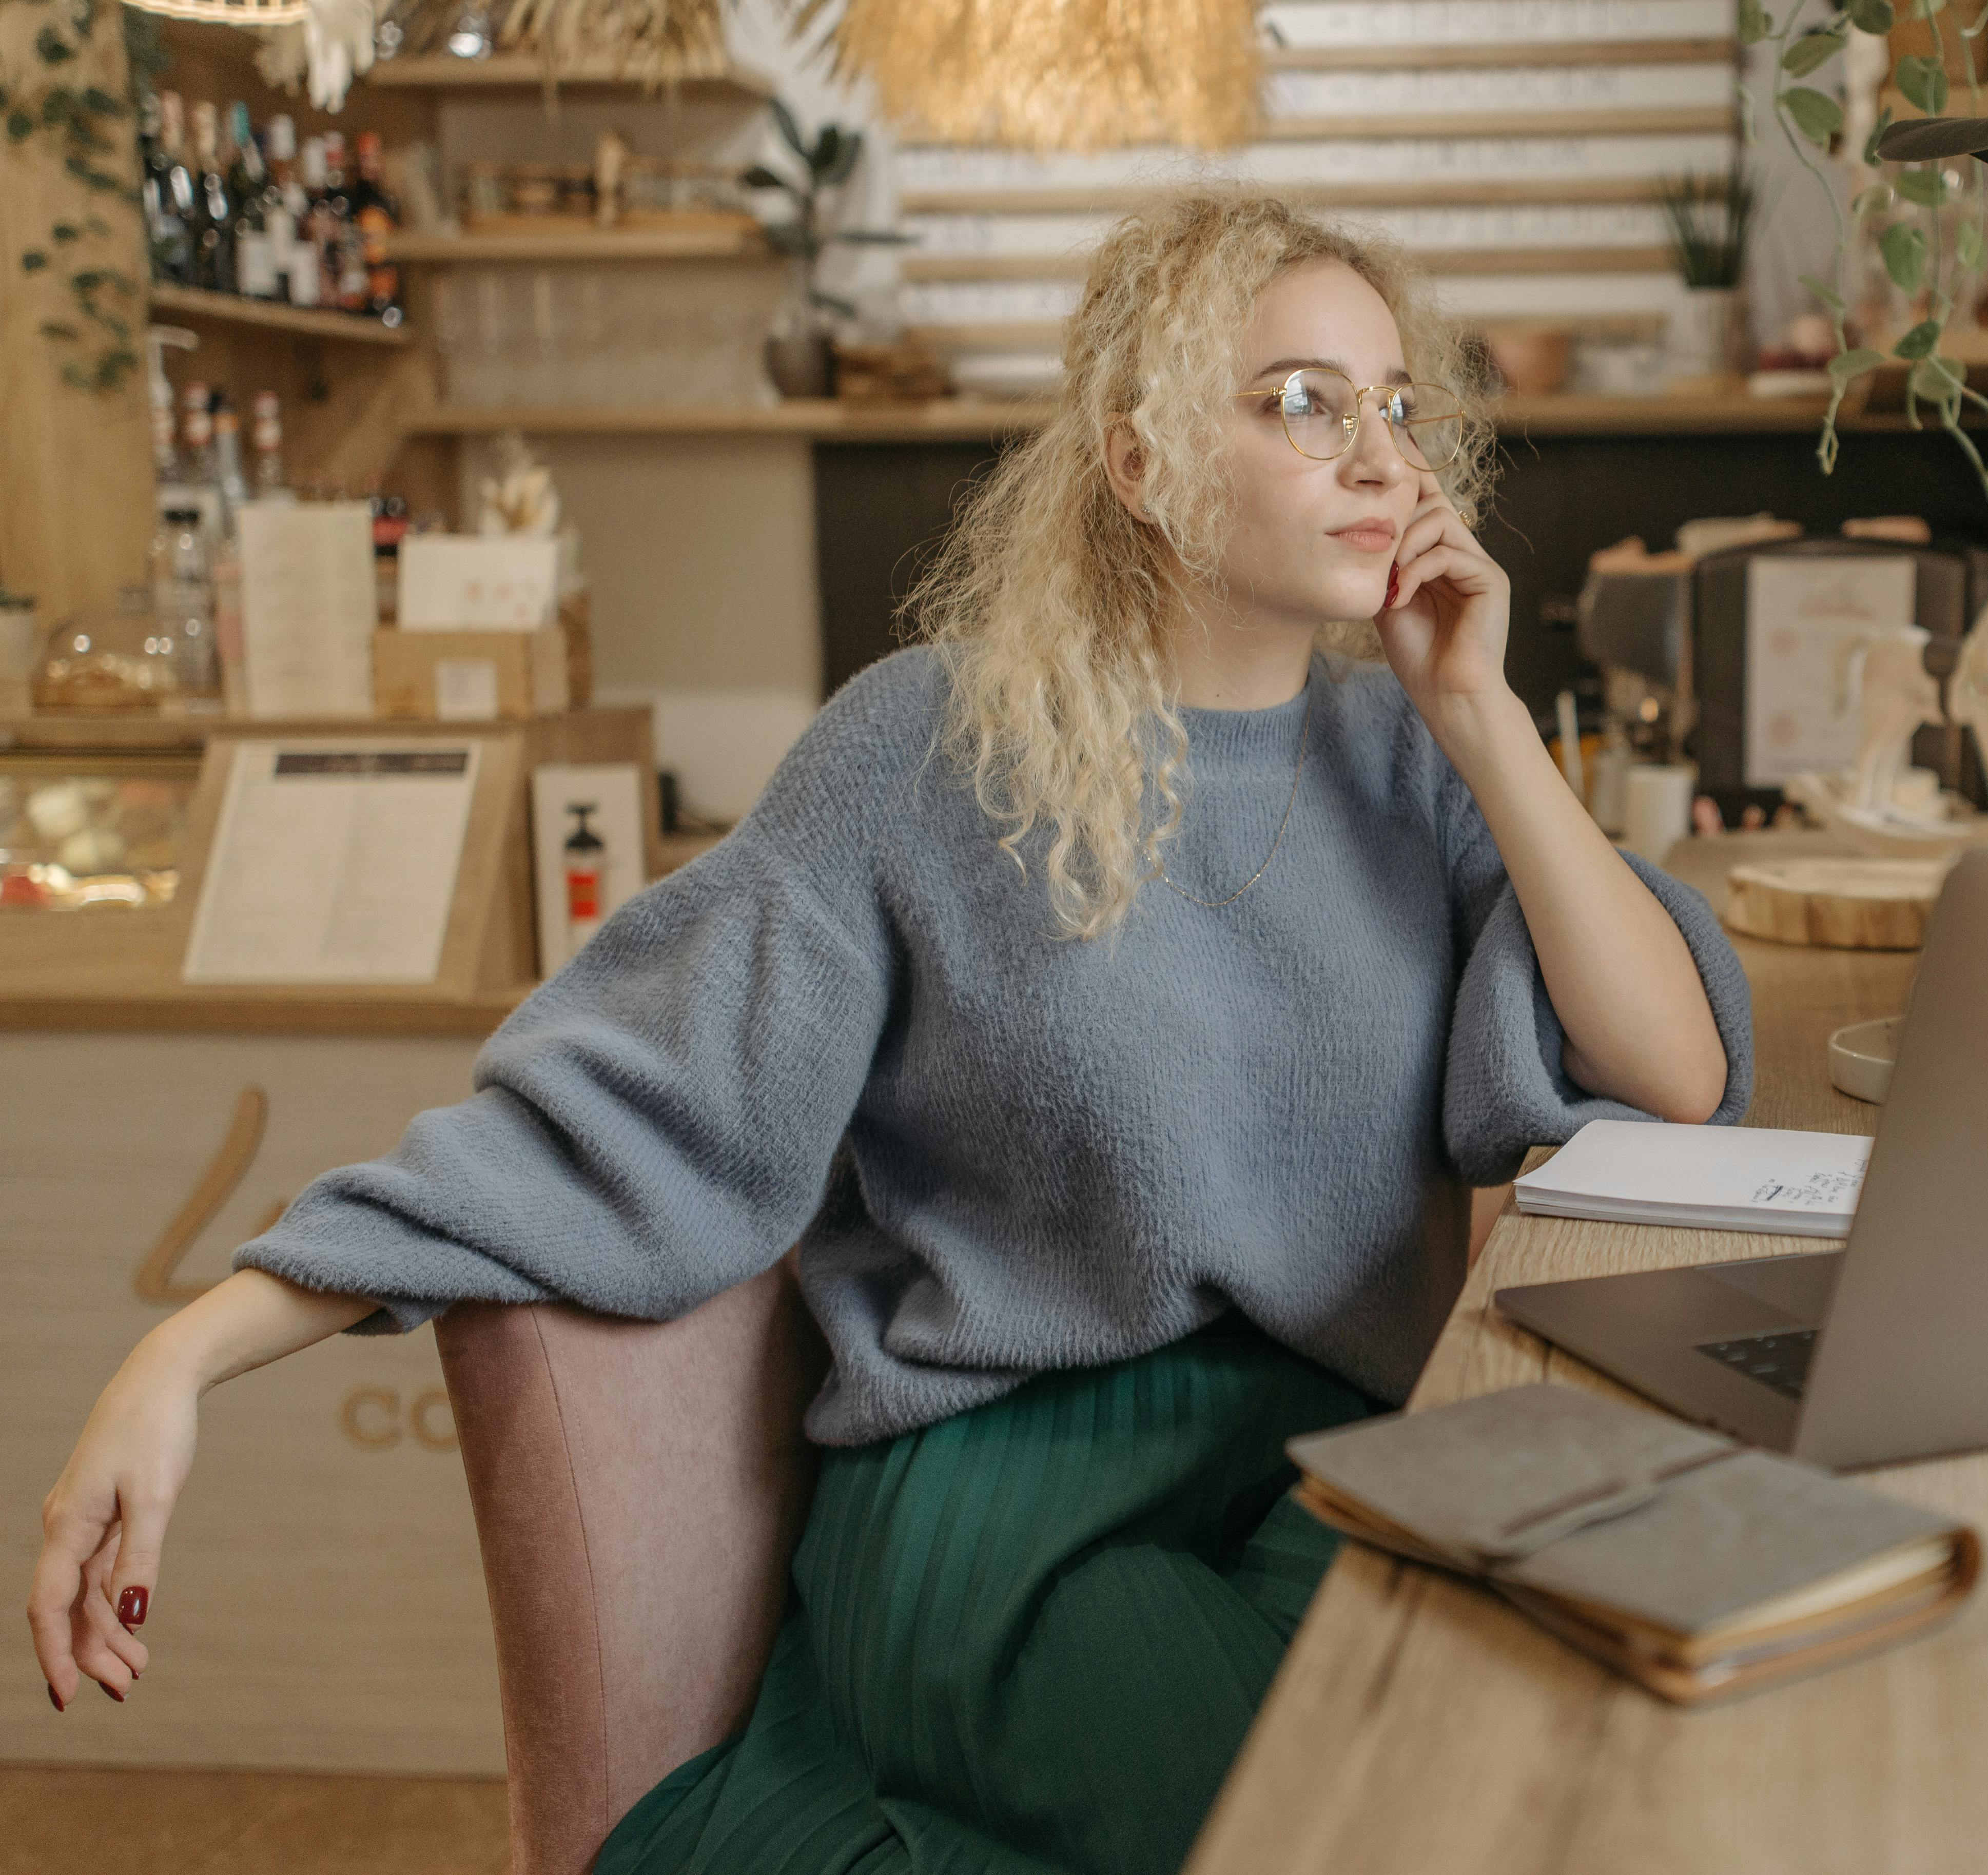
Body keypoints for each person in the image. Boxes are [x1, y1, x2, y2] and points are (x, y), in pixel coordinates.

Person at [29, 189, 1752, 1874]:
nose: (1382, 458)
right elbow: (620, 1108)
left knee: (1526, 1757)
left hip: (1333, 1475)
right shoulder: (922, 753)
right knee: (1348, 1813)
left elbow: (1670, 1074)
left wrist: (1481, 716)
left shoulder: (1408, 762)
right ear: (1139, 458)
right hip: (1006, 1507)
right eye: (1300, 403)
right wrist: (183, 1355)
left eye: (1395, 404)